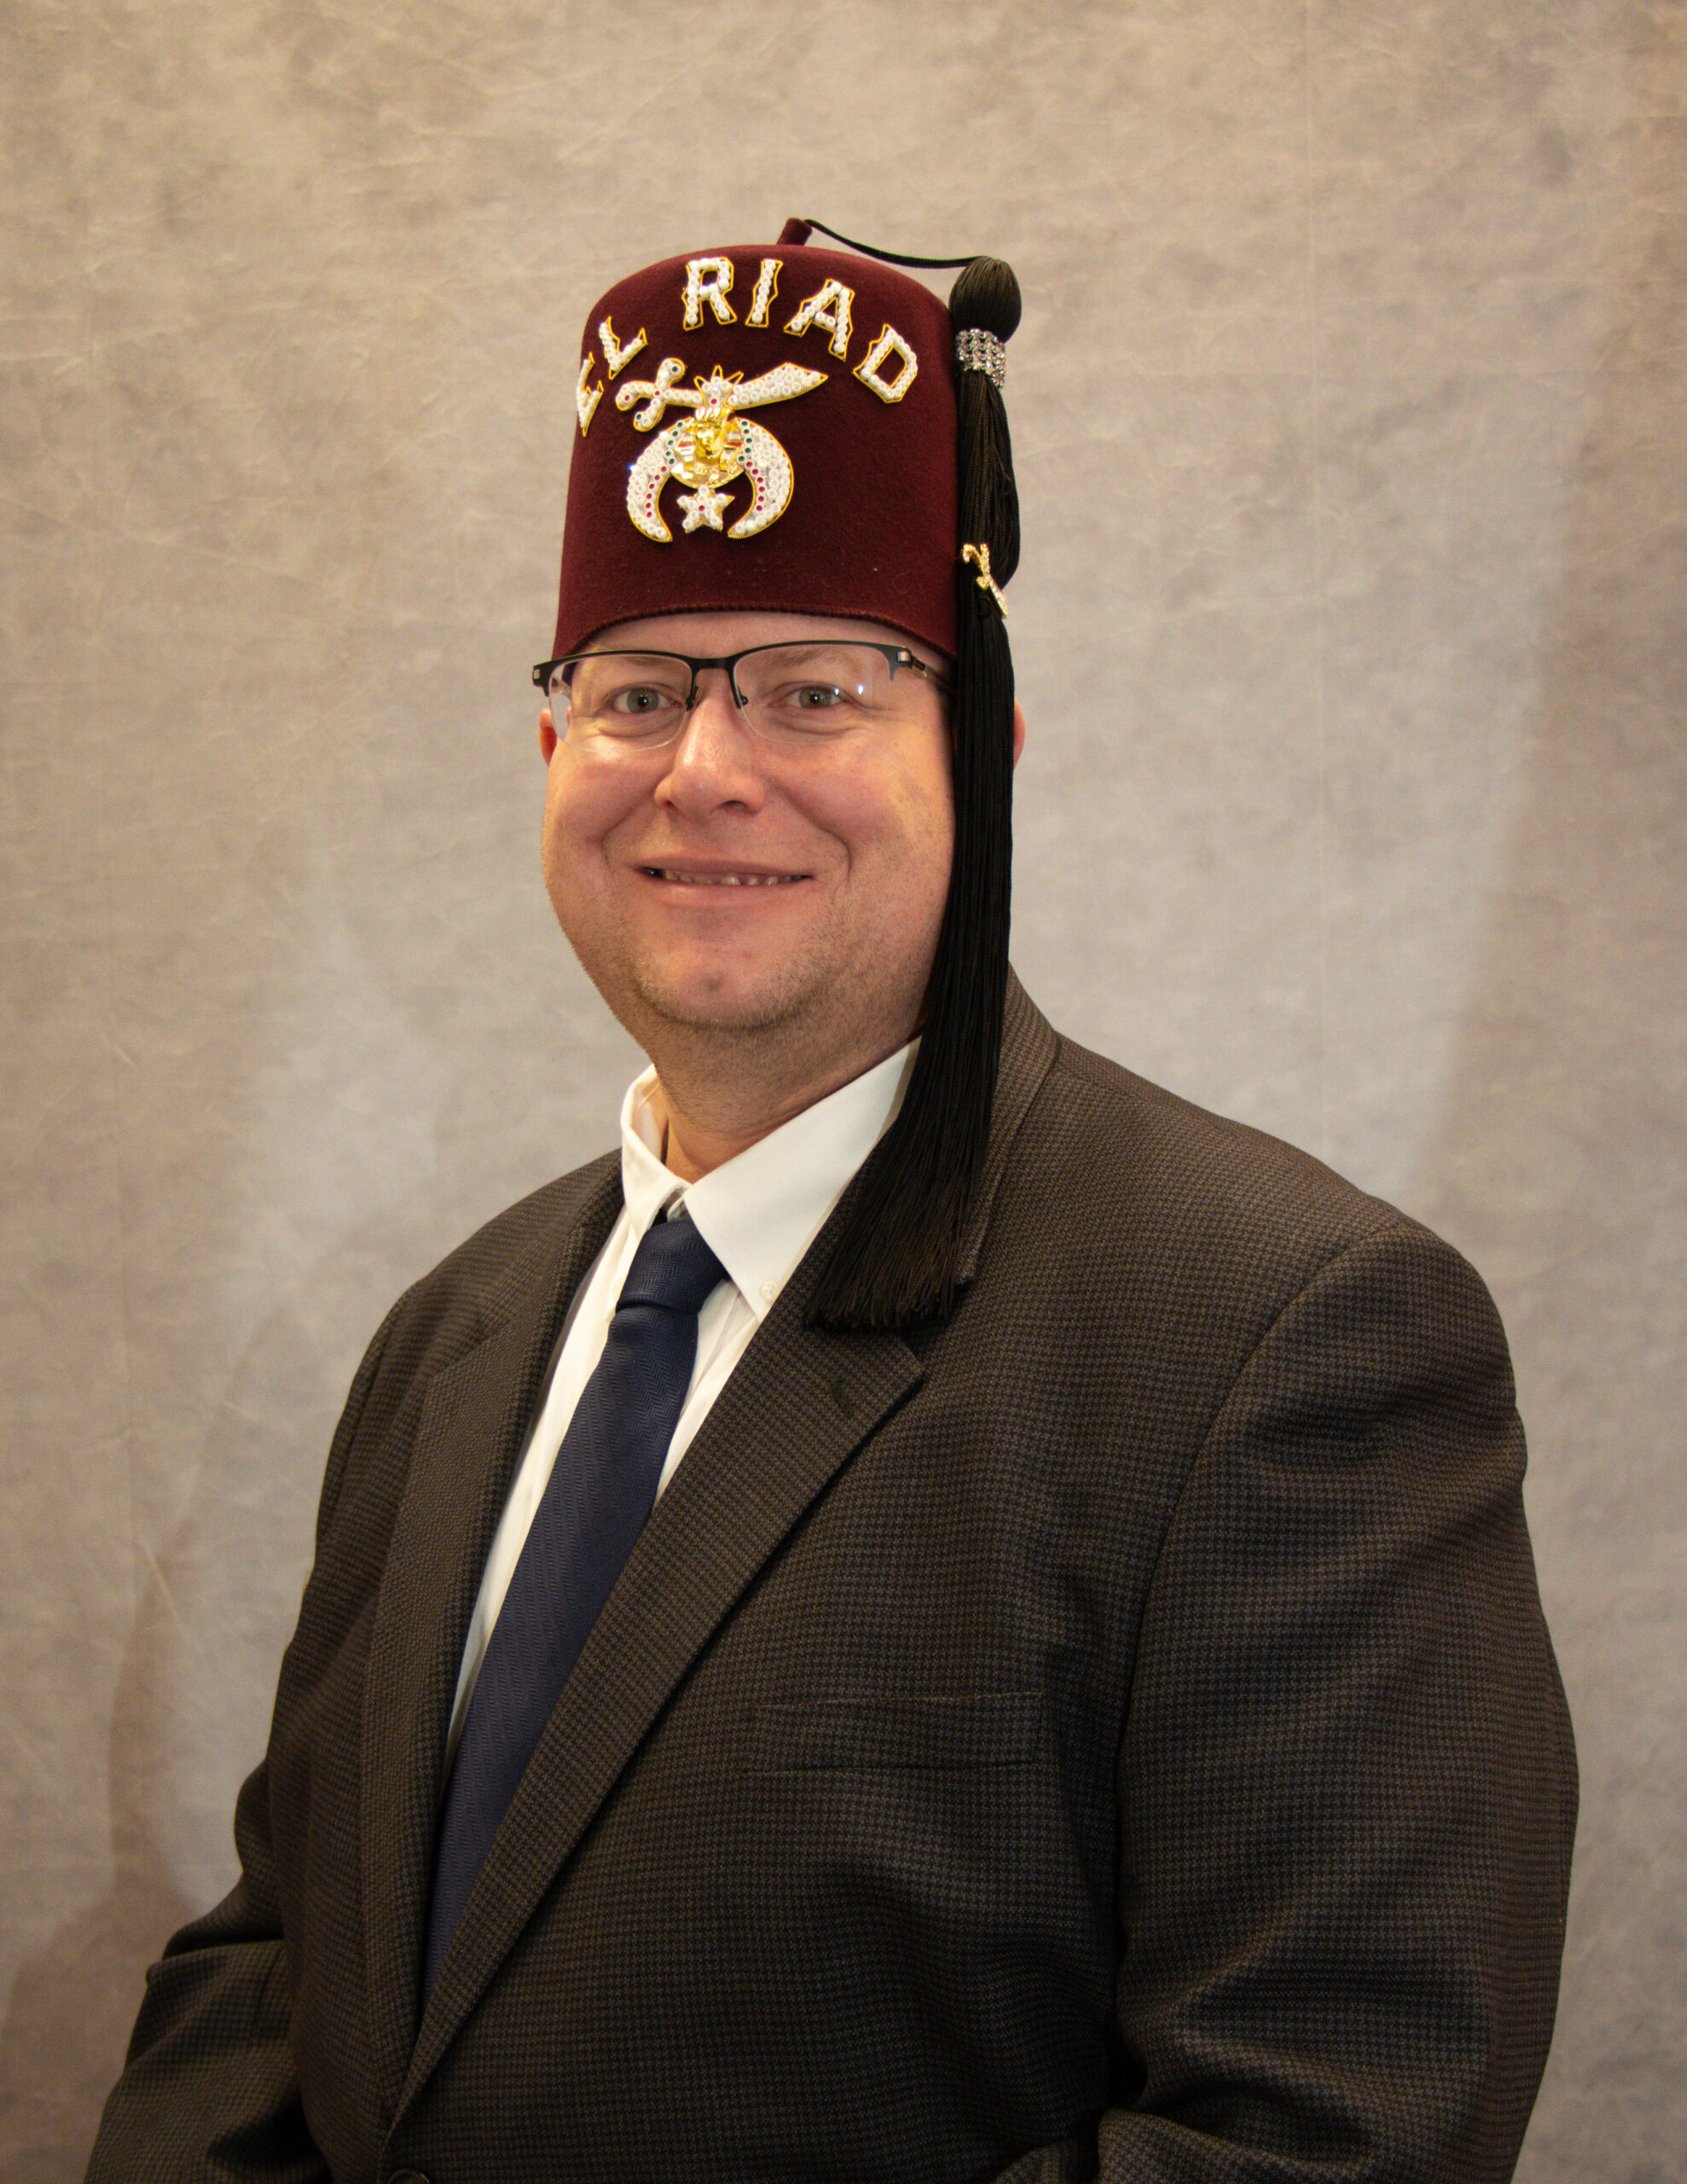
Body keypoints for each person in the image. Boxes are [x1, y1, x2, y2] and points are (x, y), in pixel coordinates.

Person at [88, 221, 1576, 2184]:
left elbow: (1326, 2126)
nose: (703, 770)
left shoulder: (1273, 1335)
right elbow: (279, 1968)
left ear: (980, 751)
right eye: (635, 692)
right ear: (549, 750)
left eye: (811, 690)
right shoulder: (451, 1333)